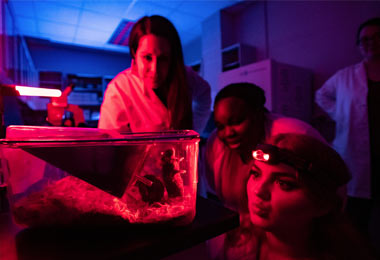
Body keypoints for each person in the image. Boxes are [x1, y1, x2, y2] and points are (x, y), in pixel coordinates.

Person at [203, 82, 325, 259]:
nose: (228, 133)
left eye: (236, 122)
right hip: (238, 242)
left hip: (288, 243)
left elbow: (328, 189)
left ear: (258, 113)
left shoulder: (292, 135)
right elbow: (215, 187)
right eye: (221, 126)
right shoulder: (216, 144)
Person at [245, 133, 375, 260]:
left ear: (322, 205)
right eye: (256, 174)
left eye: (284, 184)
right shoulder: (236, 244)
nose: (258, 190)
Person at [315, 17, 380, 243]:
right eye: (365, 39)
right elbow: (321, 95)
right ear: (359, 45)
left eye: (376, 37)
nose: (371, 42)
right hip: (356, 156)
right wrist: (339, 113)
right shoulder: (345, 76)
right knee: (356, 223)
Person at [98, 15, 211, 133]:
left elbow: (204, 93)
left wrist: (194, 132)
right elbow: (109, 144)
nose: (155, 70)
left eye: (163, 59)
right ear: (134, 54)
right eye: (147, 57)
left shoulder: (185, 75)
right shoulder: (119, 89)